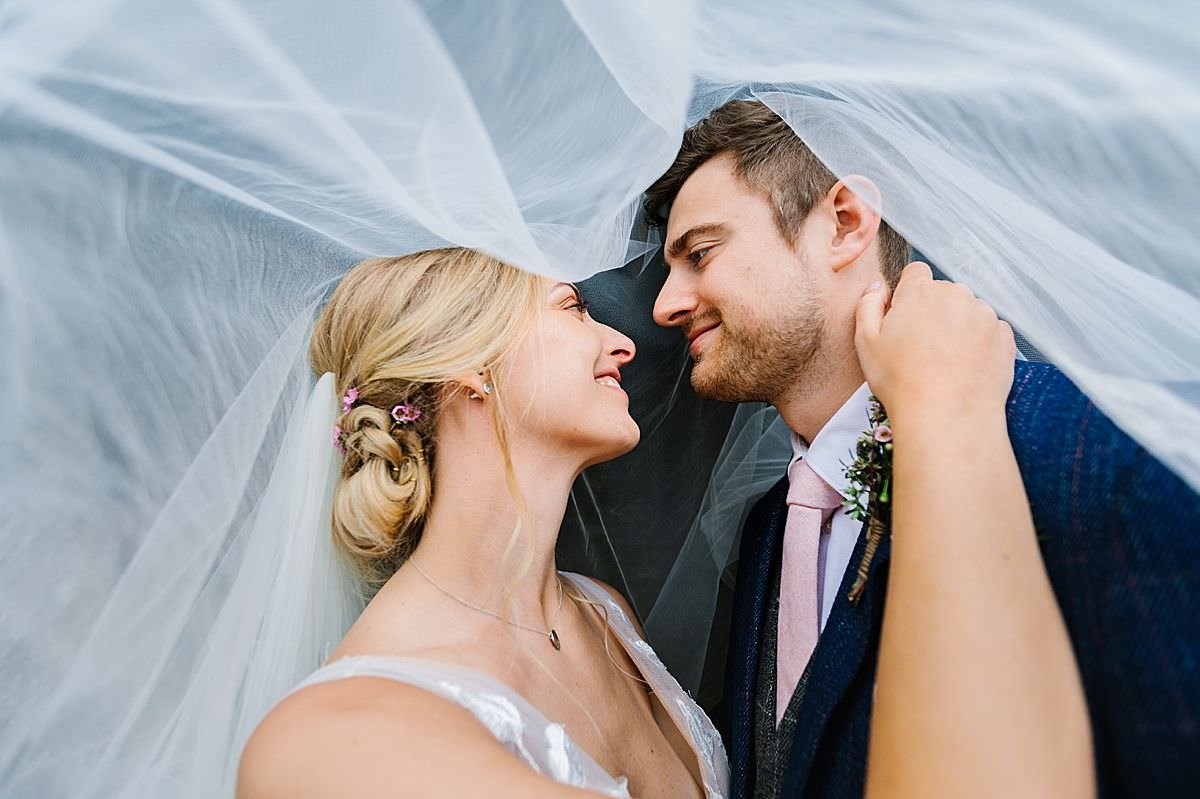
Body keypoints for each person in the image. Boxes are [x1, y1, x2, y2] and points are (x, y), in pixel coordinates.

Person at [236, 242, 1090, 798]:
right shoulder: (336, 741)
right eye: (571, 307)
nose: (625, 342)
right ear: (468, 368)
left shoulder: (600, 611)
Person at [646, 98, 1200, 798]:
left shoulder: (1087, 448)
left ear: (844, 224)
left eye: (700, 253)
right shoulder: (767, 532)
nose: (666, 303)